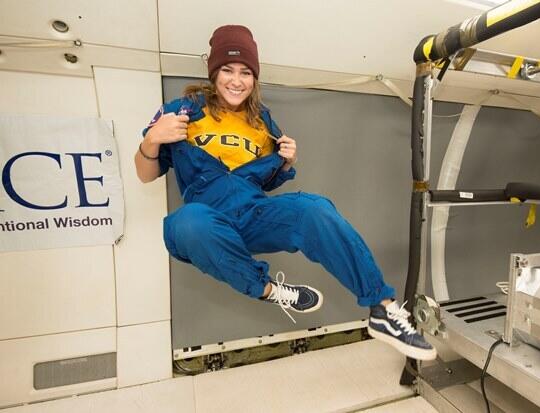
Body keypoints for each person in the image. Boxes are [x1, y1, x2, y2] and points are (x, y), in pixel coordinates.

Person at [135, 25, 436, 361]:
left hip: (252, 216)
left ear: (254, 78)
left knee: (314, 208)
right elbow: (145, 174)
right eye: (227, 70)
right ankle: (270, 290)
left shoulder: (261, 121)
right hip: (207, 222)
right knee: (190, 221)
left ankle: (382, 309)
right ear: (213, 72)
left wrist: (286, 161)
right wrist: (152, 139)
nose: (237, 81)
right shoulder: (183, 111)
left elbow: (261, 183)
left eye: (246, 73)